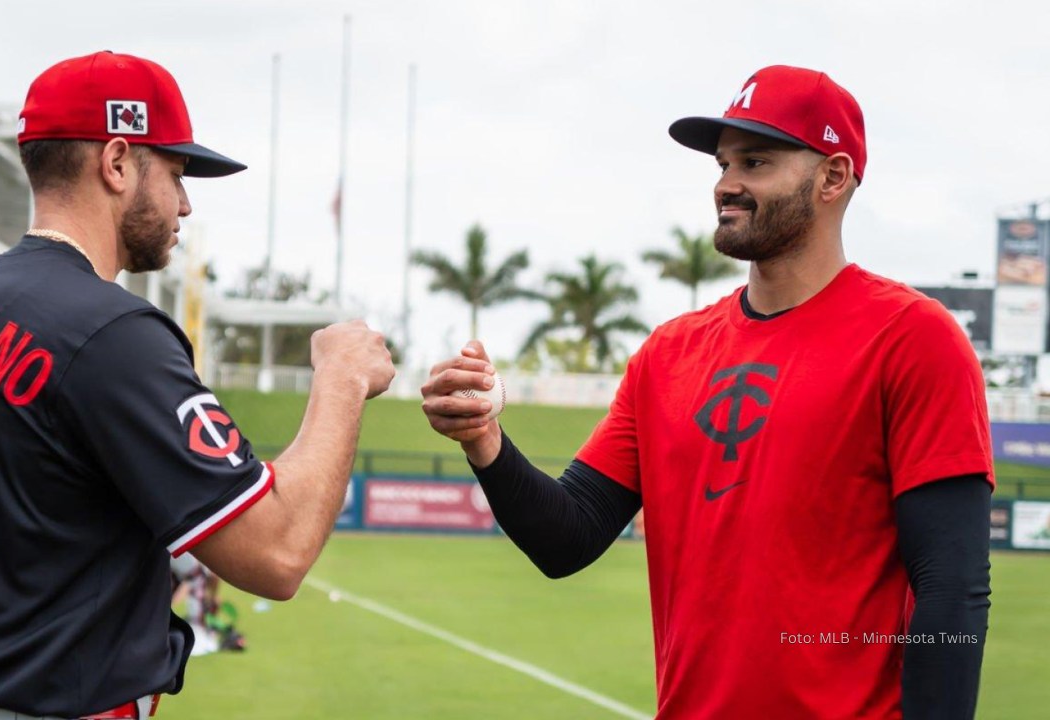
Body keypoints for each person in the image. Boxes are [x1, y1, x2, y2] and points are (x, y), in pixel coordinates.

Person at [421, 65, 993, 720]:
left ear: (833, 177)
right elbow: (567, 537)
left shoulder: (912, 338)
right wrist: (484, 441)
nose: (727, 184)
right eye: (722, 163)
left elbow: (952, 593)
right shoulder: (667, 354)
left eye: (756, 161)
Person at [0, 51, 394, 720]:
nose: (184, 202)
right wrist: (340, 378)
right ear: (118, 162)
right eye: (176, 174)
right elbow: (276, 551)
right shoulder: (106, 329)